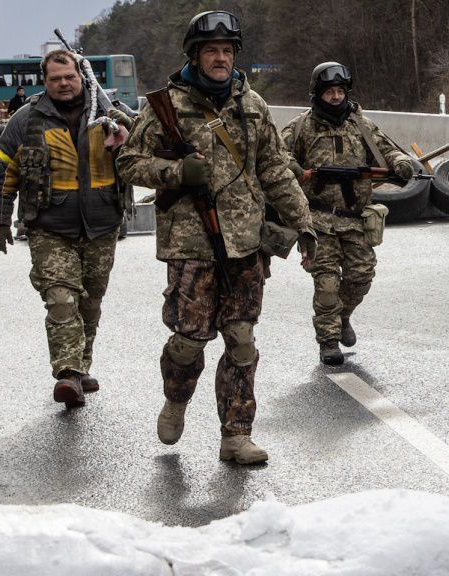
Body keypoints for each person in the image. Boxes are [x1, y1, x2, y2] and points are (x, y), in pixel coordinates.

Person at [117, 10, 315, 464]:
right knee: (189, 340)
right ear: (195, 55)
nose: (221, 58)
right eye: (212, 51)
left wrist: (303, 224)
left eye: (228, 51)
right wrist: (173, 172)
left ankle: (236, 435)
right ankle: (176, 397)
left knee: (241, 339)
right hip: (191, 244)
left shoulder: (252, 105)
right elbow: (128, 163)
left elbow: (275, 169)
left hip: (245, 243)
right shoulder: (167, 104)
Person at [0, 49, 132, 408]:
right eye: (55, 79)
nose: (63, 84)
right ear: (44, 81)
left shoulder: (108, 112)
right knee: (62, 300)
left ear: (80, 77)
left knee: (90, 303)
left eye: (69, 77)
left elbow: (145, 144)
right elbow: (4, 169)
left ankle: (81, 366)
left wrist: (127, 133)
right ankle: (67, 374)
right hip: (49, 226)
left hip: (102, 225)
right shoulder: (26, 119)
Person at [282, 62, 416, 365]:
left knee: (361, 276)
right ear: (318, 93)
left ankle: (343, 317)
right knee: (326, 282)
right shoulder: (301, 127)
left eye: (340, 91)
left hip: (355, 219)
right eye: (329, 91)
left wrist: (401, 163)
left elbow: (386, 148)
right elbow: (277, 154)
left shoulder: (361, 124)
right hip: (317, 220)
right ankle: (328, 341)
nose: (335, 97)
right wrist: (296, 170)